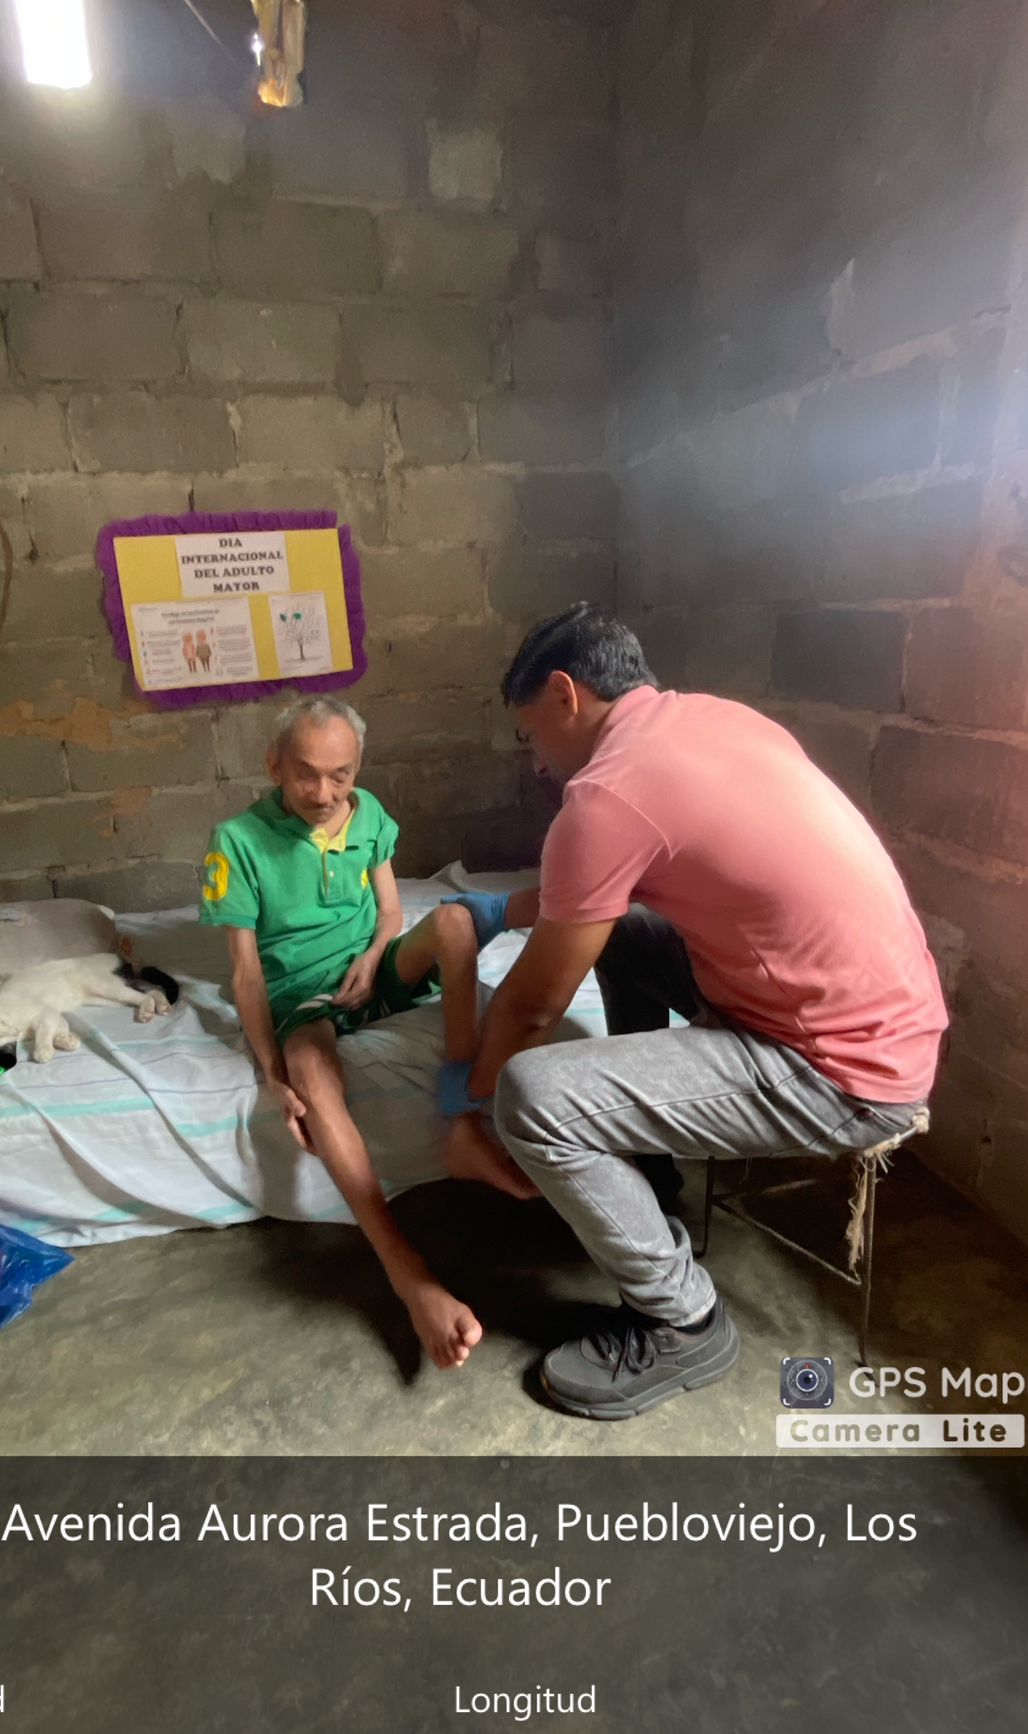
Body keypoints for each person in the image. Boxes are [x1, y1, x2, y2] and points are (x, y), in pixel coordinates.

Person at [437, 604, 948, 1421]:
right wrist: (496, 910)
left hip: (839, 1071)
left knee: (531, 1097)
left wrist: (471, 1106)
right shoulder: (716, 721)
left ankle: (682, 1319)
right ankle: (643, 1164)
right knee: (623, 933)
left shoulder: (604, 795)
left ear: (566, 694)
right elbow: (586, 898)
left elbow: (533, 1005)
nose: (536, 761)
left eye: (531, 734)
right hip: (892, 1019)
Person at [199, 696, 534, 1372]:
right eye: (305, 774)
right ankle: (407, 1272)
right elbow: (245, 974)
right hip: (305, 993)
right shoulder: (235, 841)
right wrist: (273, 1074)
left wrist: (377, 954)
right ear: (274, 765)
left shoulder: (369, 813)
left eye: (341, 775)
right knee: (311, 1068)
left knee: (455, 924)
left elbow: (390, 913)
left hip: (373, 972)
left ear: (357, 769)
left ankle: (463, 1124)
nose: (325, 794)